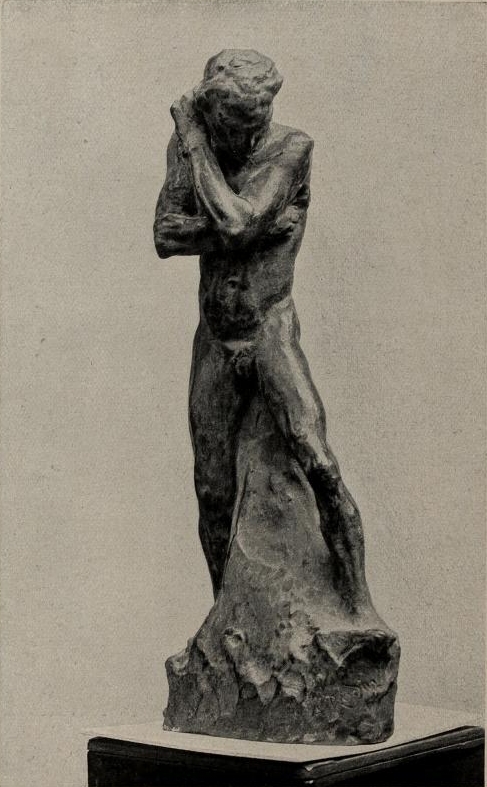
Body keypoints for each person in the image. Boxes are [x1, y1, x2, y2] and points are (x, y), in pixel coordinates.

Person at [154, 50, 370, 614]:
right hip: (216, 336)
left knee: (317, 460)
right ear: (210, 115)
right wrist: (250, 225)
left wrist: (240, 223)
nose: (247, 137)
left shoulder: (290, 148)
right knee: (212, 489)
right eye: (233, 126)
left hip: (269, 327)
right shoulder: (193, 147)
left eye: (257, 122)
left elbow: (234, 224)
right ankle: (225, 615)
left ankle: (358, 604)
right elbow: (165, 236)